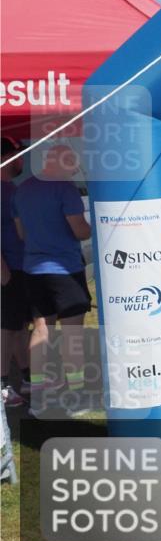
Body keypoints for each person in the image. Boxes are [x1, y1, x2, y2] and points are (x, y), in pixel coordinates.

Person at [12, 145, 92, 413]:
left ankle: (38, 396)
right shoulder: (65, 189)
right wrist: (97, 227)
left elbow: (21, 234)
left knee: (42, 330)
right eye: (73, 165)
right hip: (65, 270)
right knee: (72, 335)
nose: (75, 171)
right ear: (63, 163)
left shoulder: (22, 190)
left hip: (33, 270)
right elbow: (80, 231)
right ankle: (77, 395)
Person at [1, 138, 29, 407]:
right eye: (19, 155)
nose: (22, 160)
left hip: (18, 268)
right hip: (7, 270)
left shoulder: (11, 189)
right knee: (6, 330)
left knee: (19, 326)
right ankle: (2, 386)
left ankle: (28, 378)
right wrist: (4, 273)